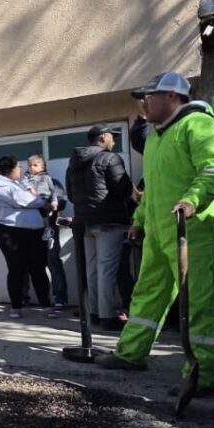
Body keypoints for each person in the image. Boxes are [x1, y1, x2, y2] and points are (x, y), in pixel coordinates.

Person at [96, 72, 214, 398]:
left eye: (149, 96)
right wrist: (140, 219)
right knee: (147, 293)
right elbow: (153, 187)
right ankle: (131, 354)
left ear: (172, 97)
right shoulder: (157, 136)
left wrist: (192, 200)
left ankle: (202, 373)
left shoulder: (200, 126)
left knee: (198, 302)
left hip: (192, 229)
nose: (143, 104)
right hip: (159, 230)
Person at [66, 125, 134, 330]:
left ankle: (94, 313)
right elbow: (122, 189)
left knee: (93, 269)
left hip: (85, 222)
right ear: (103, 137)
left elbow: (70, 195)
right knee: (106, 270)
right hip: (109, 221)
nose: (114, 141)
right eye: (112, 137)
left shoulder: (73, 164)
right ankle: (108, 316)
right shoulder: (110, 159)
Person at [0, 156, 58, 319]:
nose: (21, 169)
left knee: (38, 268)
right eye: (18, 167)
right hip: (11, 231)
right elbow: (24, 200)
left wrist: (38, 199)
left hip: (35, 230)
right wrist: (39, 201)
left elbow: (35, 197)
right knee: (16, 268)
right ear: (10, 169)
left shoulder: (19, 182)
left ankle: (46, 305)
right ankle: (16, 306)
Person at [21, 156, 69, 307]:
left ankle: (60, 299)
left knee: (53, 262)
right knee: (26, 264)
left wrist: (44, 203)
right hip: (27, 228)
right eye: (29, 165)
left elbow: (61, 202)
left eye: (35, 165)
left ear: (43, 167)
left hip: (48, 228)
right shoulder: (23, 183)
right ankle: (24, 298)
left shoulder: (52, 182)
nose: (32, 167)